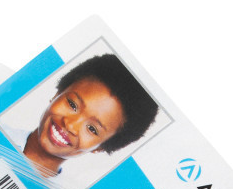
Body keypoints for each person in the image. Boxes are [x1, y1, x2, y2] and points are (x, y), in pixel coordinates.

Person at [16, 54, 159, 178]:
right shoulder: (1, 132)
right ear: (57, 94)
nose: (71, 125)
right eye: (72, 105)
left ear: (100, 148)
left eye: (92, 129)